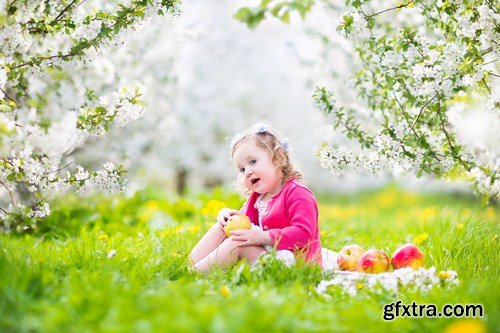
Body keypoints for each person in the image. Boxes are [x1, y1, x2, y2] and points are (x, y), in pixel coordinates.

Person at [189, 123, 323, 274]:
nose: (247, 172)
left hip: (294, 266)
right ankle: (190, 265)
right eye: (242, 169)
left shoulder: (298, 194)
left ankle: (196, 274)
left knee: (237, 242)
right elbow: (243, 224)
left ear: (278, 158)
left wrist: (265, 237)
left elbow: (304, 234)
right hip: (269, 256)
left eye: (252, 162)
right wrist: (228, 217)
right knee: (223, 227)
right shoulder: (257, 198)